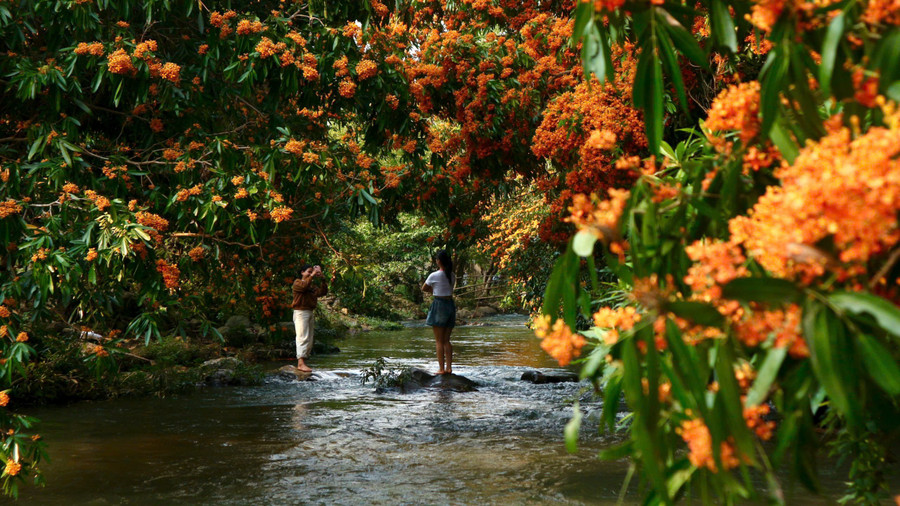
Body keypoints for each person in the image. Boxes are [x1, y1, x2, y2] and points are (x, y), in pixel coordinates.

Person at [422, 250, 456, 375]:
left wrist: (434, 290)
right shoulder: (452, 275)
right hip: (450, 305)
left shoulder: (434, 275)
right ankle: (449, 368)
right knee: (447, 340)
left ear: (439, 261)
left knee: (439, 341)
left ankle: (441, 369)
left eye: (436, 259)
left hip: (439, 305)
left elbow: (424, 288)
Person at [292, 264, 328, 372]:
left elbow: (323, 292)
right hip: (300, 312)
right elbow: (303, 287)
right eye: (309, 271)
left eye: (312, 272)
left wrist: (322, 279)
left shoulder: (311, 286)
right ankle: (300, 363)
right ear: (302, 272)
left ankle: (303, 361)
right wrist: (312, 275)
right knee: (302, 337)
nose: (311, 273)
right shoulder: (297, 283)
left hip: (310, 312)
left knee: (309, 338)